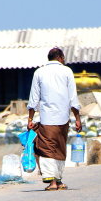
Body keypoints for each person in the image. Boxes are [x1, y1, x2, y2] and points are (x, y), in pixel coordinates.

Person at [27, 47, 82, 191]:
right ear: (60, 58)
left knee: (46, 150)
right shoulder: (67, 71)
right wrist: (77, 118)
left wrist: (30, 119)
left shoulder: (39, 72)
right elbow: (73, 98)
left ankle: (52, 182)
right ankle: (58, 180)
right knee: (59, 148)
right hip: (63, 119)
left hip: (47, 118)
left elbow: (33, 98)